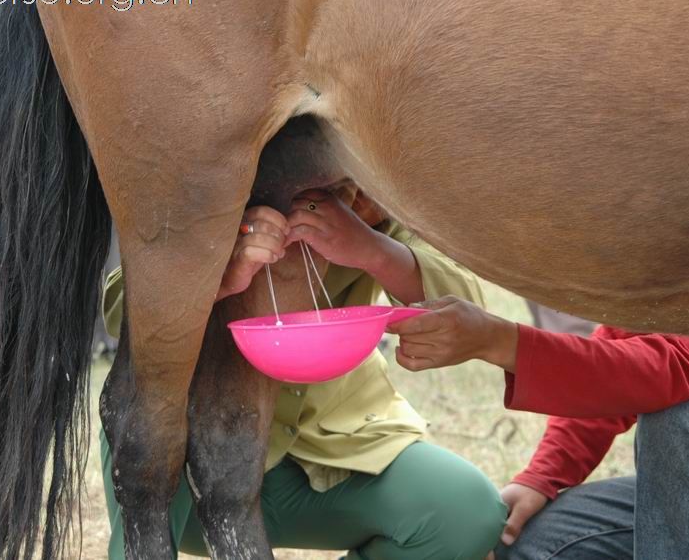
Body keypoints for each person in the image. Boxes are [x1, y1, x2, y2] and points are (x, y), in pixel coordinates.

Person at [101, 188, 508, 559]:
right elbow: (121, 308)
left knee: (466, 513)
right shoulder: (229, 175)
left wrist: (371, 247)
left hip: (338, 444)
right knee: (146, 472)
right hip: (187, 459)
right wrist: (220, 273)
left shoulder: (382, 201)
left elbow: (468, 307)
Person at [387, 296, 689, 559]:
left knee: (685, 418)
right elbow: (615, 370)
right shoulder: (668, 283)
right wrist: (541, 477)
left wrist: (499, 341)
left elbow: (666, 372)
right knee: (526, 542)